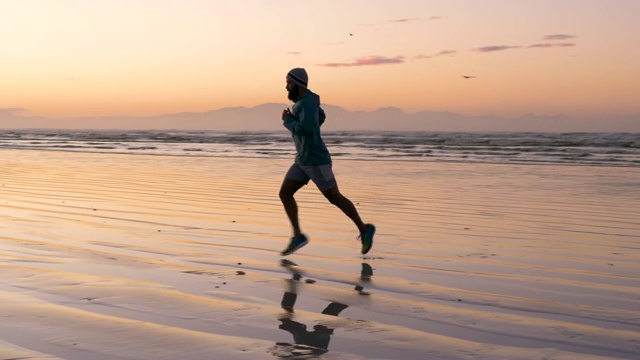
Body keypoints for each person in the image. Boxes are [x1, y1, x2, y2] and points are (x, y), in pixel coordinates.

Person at [279, 67, 375, 256]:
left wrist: (288, 121)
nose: (286, 86)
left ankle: (365, 230)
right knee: (285, 193)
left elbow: (306, 128)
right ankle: (298, 236)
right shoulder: (306, 102)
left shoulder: (305, 104)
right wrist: (302, 122)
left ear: (297, 84)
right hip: (302, 160)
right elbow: (320, 117)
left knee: (335, 197)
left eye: (288, 83)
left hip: (316, 161)